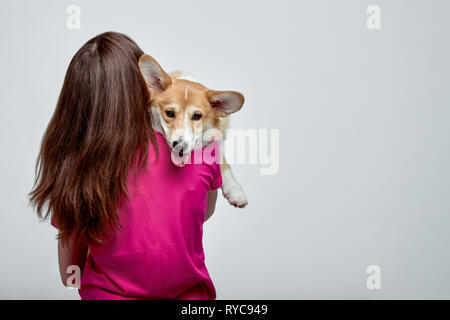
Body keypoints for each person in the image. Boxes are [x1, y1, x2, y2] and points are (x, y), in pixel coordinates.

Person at [29, 32, 221, 300]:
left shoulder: (76, 160)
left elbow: (69, 274)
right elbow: (202, 212)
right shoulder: (203, 149)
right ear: (145, 84)